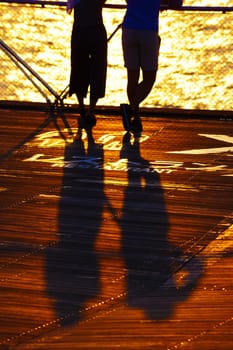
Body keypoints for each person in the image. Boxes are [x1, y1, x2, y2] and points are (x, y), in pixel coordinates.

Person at [120, 0, 161, 134]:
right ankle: (131, 110)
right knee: (149, 78)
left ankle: (136, 118)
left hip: (129, 27)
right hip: (148, 30)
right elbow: (176, 3)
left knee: (132, 77)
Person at [66, 0, 107, 128]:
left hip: (80, 29)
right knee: (98, 69)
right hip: (96, 28)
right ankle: (91, 109)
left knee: (78, 67)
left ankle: (82, 108)